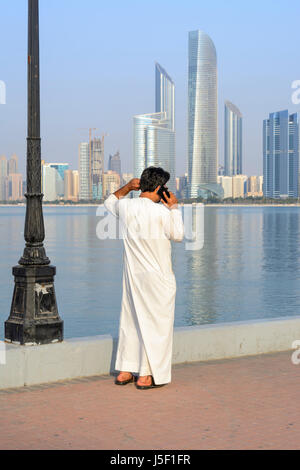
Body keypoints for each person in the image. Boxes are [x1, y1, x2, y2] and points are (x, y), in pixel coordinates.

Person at [104, 167, 184, 390]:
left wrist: (128, 187)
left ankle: (126, 371)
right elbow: (178, 235)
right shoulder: (162, 213)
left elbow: (109, 201)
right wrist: (174, 207)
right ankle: (146, 375)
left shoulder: (126, 206)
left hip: (133, 277)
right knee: (157, 326)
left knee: (131, 322)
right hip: (158, 279)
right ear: (160, 188)